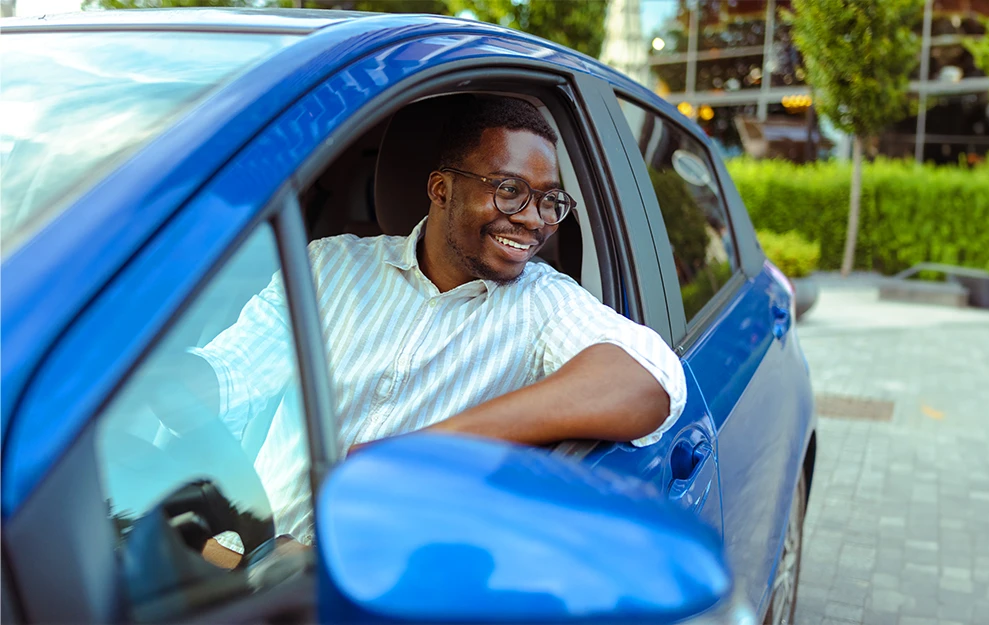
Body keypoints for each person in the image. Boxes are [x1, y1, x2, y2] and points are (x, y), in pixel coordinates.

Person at [173, 95, 685, 562]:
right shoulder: (327, 266)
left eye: (550, 201)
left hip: (371, 591)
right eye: (510, 191)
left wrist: (416, 452)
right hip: (229, 562)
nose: (533, 221)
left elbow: (650, 378)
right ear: (442, 189)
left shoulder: (543, 302)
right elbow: (229, 375)